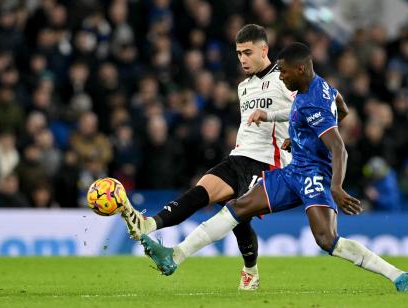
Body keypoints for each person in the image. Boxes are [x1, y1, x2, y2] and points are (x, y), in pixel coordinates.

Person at [139, 42, 408, 292]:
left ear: (300, 69)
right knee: (238, 207)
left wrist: (336, 187)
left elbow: (338, 148)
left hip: (314, 176)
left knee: (327, 240)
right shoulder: (319, 85)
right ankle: (175, 255)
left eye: (284, 73)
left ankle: (396, 275)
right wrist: (299, 136)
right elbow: (340, 108)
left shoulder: (313, 103)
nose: (281, 77)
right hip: (293, 171)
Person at [120, 24, 294, 290]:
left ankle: (178, 256)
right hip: (239, 156)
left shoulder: (286, 78)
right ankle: (148, 224)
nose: (243, 59)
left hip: (267, 163)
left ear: (264, 49)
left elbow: (306, 110)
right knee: (203, 191)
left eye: (248, 52)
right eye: (238, 54)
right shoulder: (243, 87)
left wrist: (297, 138)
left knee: (235, 212)